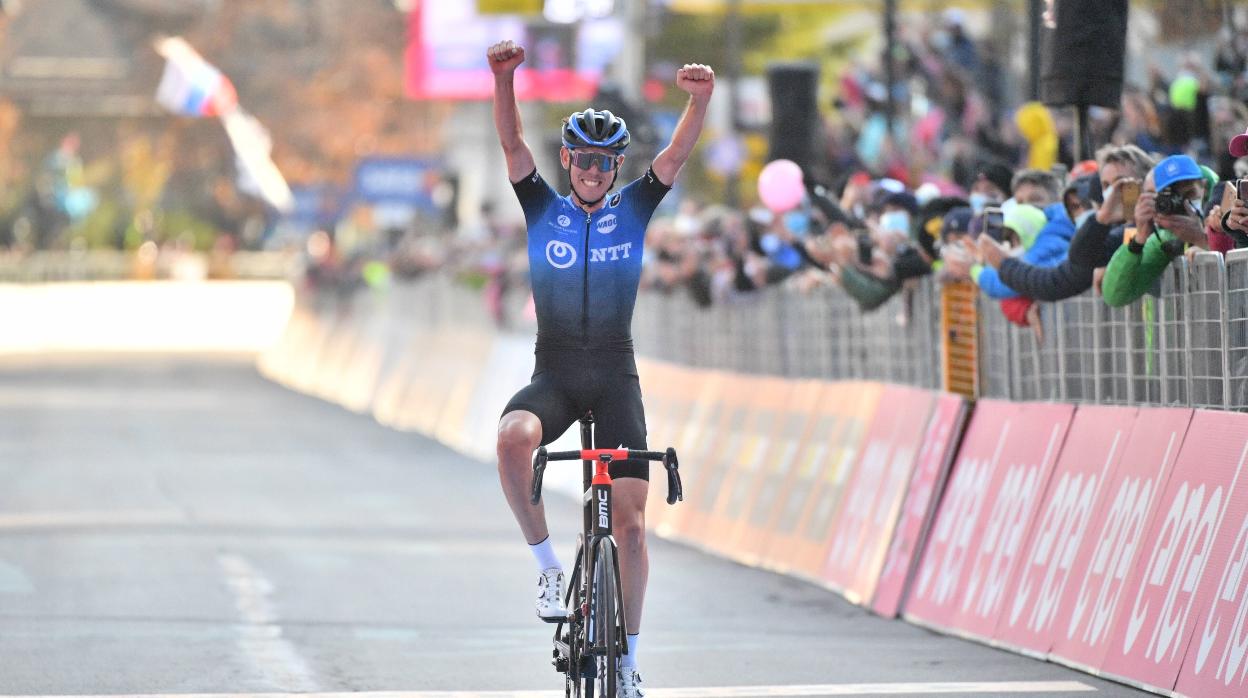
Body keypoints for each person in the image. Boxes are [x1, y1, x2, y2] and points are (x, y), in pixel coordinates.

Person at [488, 38, 713, 697]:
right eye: (583, 158)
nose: (592, 169)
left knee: (633, 527)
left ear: (616, 166)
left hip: (616, 377)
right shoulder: (543, 208)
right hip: (555, 375)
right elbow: (509, 146)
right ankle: (549, 567)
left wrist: (697, 101)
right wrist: (505, 80)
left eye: (604, 161)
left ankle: (627, 663)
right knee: (512, 438)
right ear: (568, 161)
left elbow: (675, 155)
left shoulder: (634, 210)